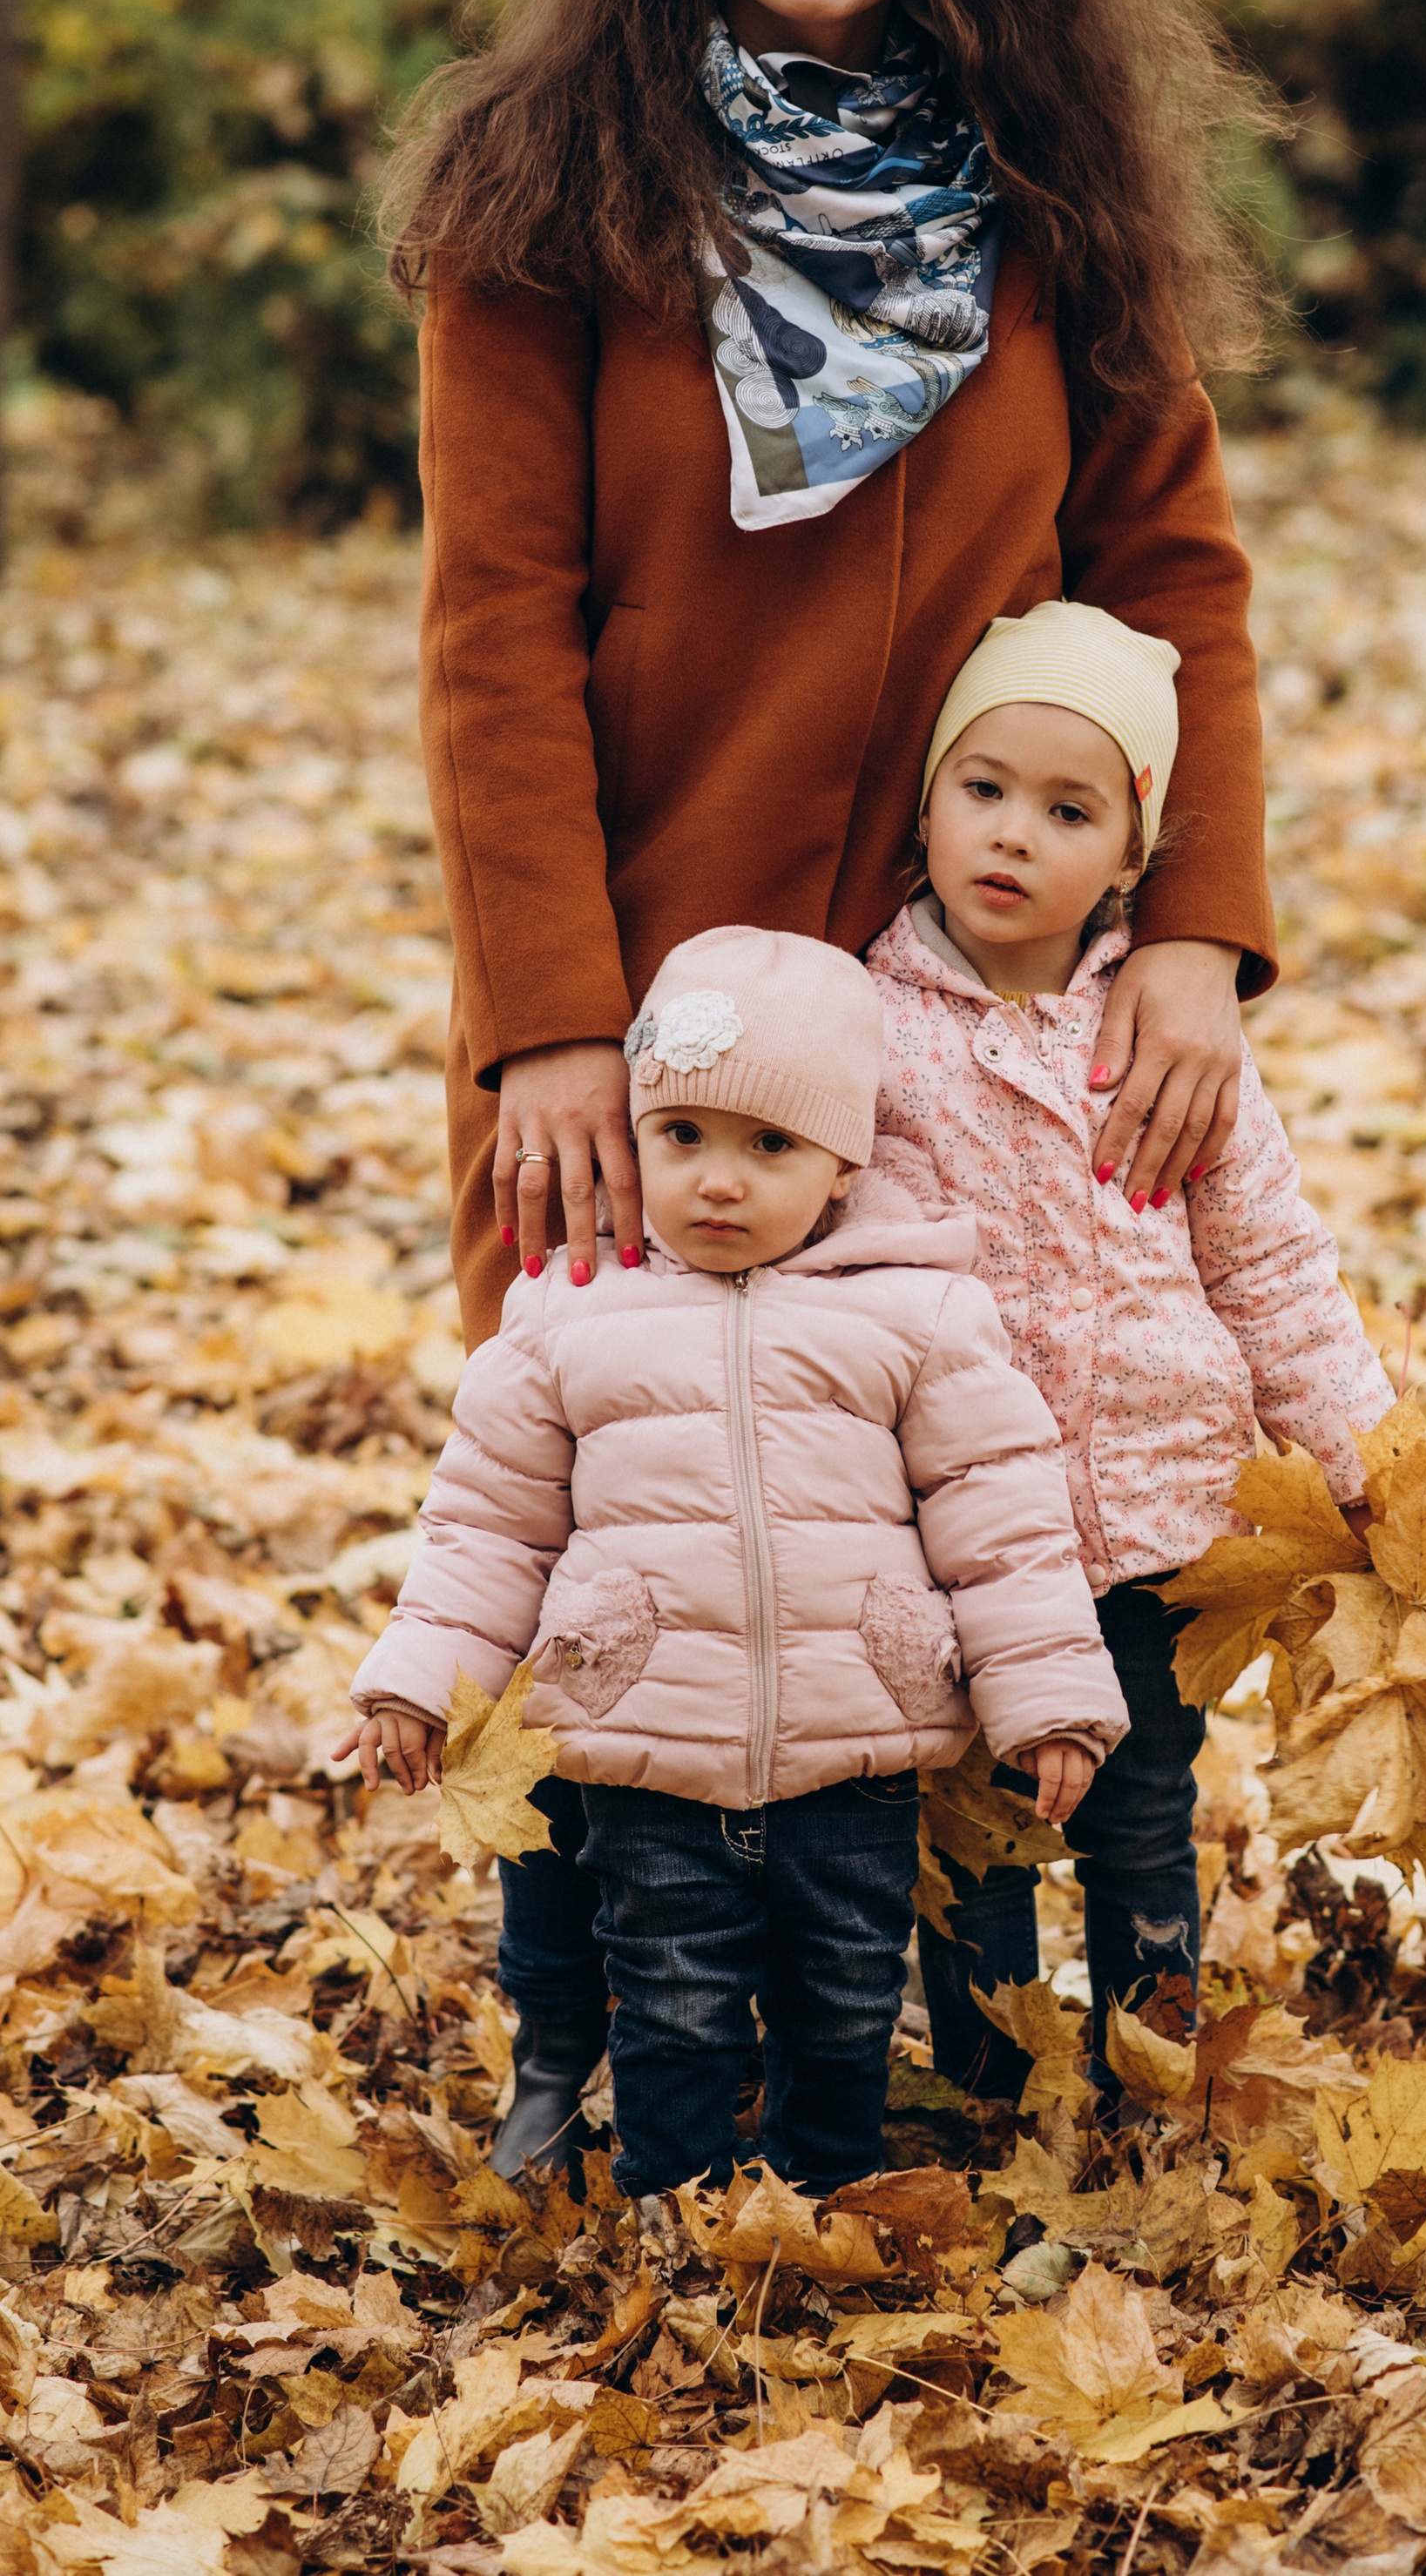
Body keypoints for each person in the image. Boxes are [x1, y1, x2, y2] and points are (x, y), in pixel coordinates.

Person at [380, 0, 1281, 2171]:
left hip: (968, 1010)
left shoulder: (1047, 193)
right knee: (610, 1533)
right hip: (652, 1027)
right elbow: (492, 638)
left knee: (922, 1521)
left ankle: (882, 2030)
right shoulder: (543, 194)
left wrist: (1195, 930)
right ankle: (597, 2047)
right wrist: (550, 1013)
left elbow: (1177, 574)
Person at [333, 930, 1126, 2198]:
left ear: (844, 1163)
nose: (718, 1181)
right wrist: (417, 1680)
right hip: (641, 1739)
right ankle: (677, 2202)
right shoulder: (565, 1312)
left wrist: (1049, 1704)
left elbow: (1003, 1519)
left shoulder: (913, 1310)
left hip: (854, 1747)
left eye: (771, 1148)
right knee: (673, 1996)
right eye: (683, 1137)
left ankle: (823, 2194)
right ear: (634, 1140)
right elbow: (490, 1525)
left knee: (844, 1993)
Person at [864, 603, 1396, 2094]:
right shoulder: (867, 1026)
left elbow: (1271, 1262)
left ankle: (1154, 2067)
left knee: (1141, 1811)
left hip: (1160, 1515)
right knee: (972, 1825)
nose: (1014, 835)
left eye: (1067, 808)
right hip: (958, 1533)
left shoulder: (1168, 1034)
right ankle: (990, 2078)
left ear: (1133, 856)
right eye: (983, 789)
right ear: (926, 803)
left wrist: (1368, 1459)